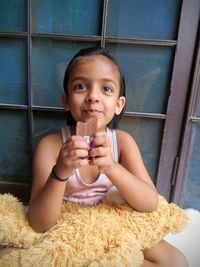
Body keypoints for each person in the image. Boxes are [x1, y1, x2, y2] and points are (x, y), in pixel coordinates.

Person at [27, 47, 188, 267]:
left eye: (106, 88)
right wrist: (60, 172)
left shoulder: (122, 142)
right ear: (66, 100)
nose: (93, 96)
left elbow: (150, 203)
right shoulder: (50, 146)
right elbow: (38, 222)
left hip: (115, 224)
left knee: (177, 262)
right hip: (68, 228)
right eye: (81, 86)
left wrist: (112, 167)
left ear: (119, 104)